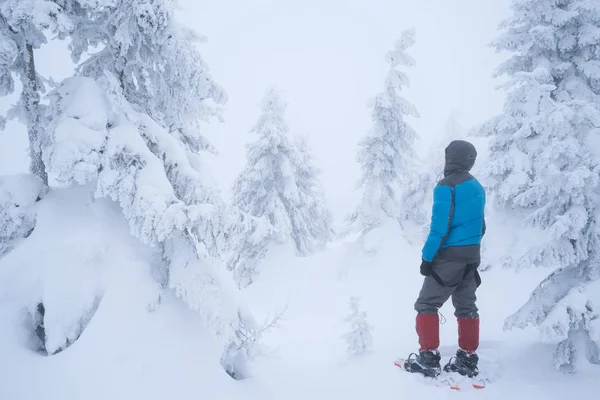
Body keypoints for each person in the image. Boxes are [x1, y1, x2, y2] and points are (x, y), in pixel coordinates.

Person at [403, 139, 486, 379]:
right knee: (467, 305)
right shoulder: (477, 186)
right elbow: (481, 226)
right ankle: (468, 359)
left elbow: (439, 227)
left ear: (450, 159)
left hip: (449, 257)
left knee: (427, 304)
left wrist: (427, 258)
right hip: (472, 255)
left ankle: (428, 359)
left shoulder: (446, 186)